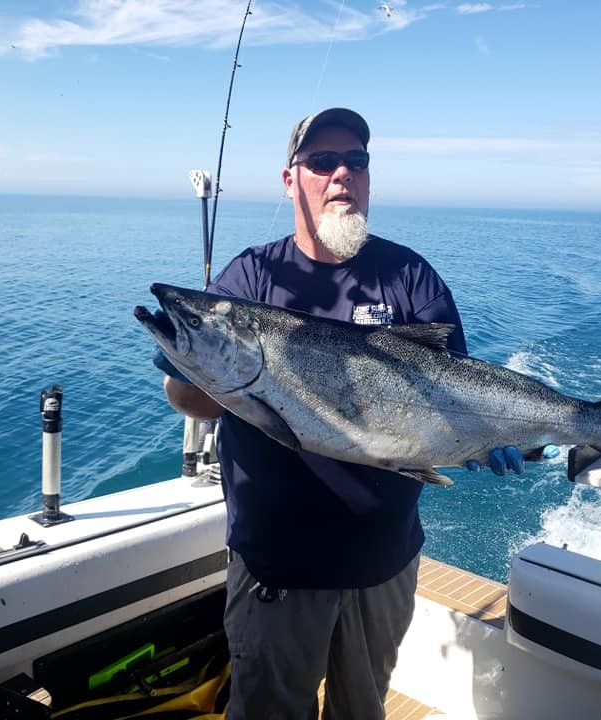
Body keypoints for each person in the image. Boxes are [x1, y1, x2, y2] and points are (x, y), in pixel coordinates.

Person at [155, 108, 526, 719]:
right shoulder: (249, 277)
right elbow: (185, 395)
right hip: (278, 563)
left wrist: (489, 435)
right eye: (322, 162)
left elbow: (460, 388)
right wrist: (201, 375)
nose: (341, 175)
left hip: (384, 562)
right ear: (290, 178)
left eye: (356, 161)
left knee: (362, 709)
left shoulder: (408, 274)